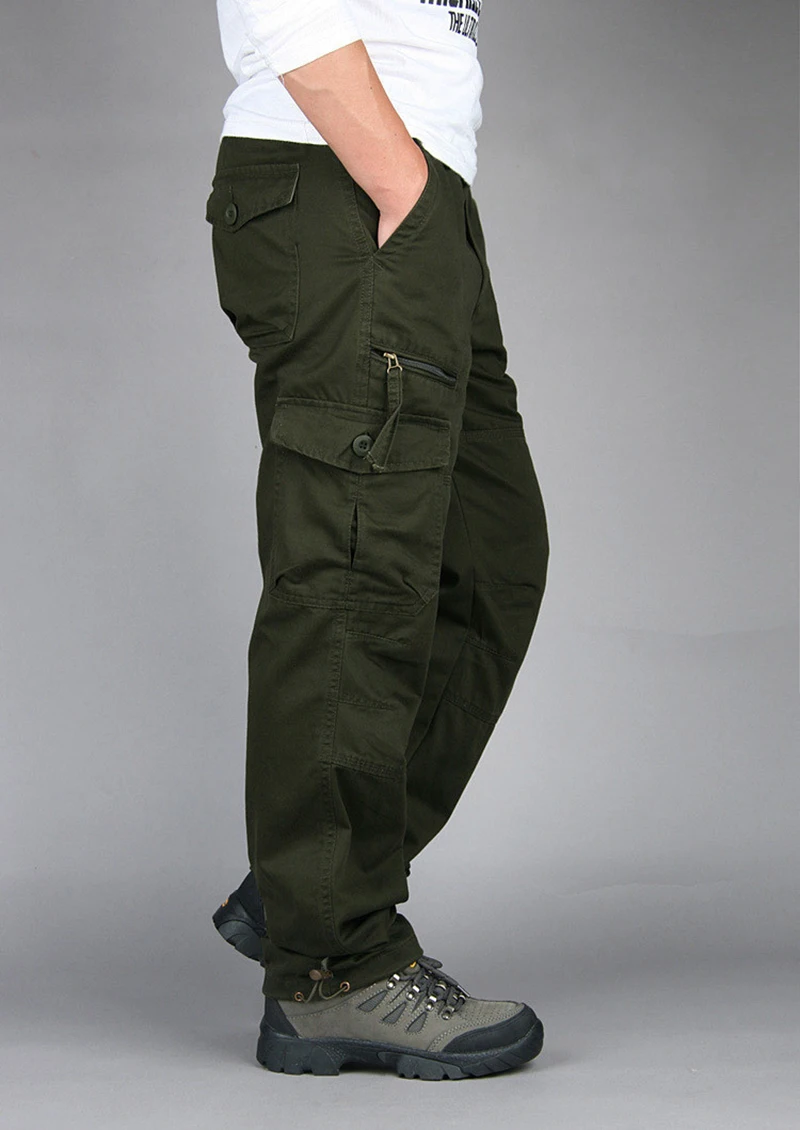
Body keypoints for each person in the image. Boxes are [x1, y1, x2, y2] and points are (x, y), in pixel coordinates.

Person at [205, 0, 550, 1080]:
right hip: (346, 176)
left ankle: (311, 883)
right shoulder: (377, 179)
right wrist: (400, 183)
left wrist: (422, 196)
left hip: (412, 191)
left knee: (487, 563)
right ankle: (330, 968)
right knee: (354, 576)